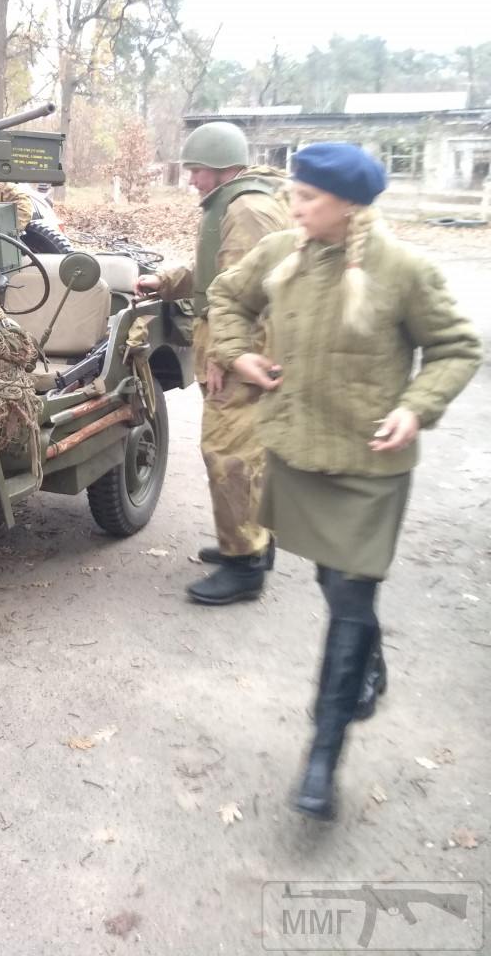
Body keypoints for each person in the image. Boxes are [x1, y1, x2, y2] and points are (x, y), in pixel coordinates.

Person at [207, 142, 481, 819]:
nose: (292, 207)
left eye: (307, 199)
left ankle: (323, 754)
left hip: (369, 464)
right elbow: (225, 295)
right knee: (334, 580)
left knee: (349, 597)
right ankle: (369, 660)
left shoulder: (404, 270)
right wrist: (238, 353)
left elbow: (457, 347)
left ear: (349, 205)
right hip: (299, 451)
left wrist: (416, 409)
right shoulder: (283, 254)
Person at [135, 121, 292, 604]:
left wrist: (228, 352)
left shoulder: (246, 209)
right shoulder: (237, 203)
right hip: (240, 347)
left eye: (197, 170)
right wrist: (165, 280)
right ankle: (252, 545)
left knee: (230, 454)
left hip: (243, 352)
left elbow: (249, 295)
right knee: (247, 450)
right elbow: (218, 274)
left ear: (223, 167)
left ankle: (245, 566)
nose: (192, 180)